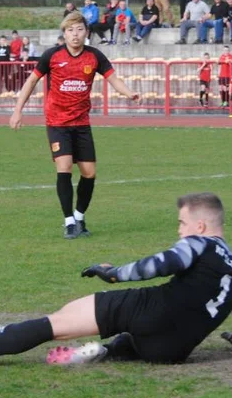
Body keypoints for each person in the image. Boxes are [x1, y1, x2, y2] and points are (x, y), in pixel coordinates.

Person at [0, 193, 232, 369]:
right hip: (170, 352)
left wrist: (115, 273)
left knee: (57, 322)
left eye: (182, 224)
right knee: (136, 339)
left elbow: (163, 263)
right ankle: (104, 351)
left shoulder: (198, 243)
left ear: (200, 226)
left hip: (150, 311)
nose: (179, 230)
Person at [9, 12, 139, 240]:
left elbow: (113, 78)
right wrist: (17, 110)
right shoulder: (52, 56)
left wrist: (128, 93)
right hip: (57, 122)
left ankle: (79, 216)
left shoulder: (94, 56)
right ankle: (68, 221)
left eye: (79, 29)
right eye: (70, 30)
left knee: (89, 173)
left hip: (82, 123)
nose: (75, 34)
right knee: (65, 167)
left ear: (86, 32)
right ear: (64, 33)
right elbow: (31, 81)